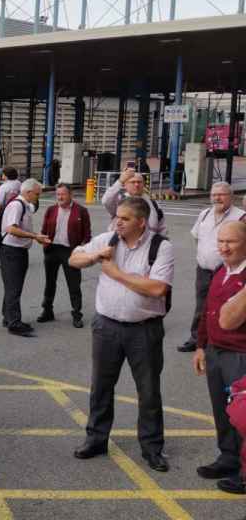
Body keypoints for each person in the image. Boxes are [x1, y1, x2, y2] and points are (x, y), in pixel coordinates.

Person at [69, 196, 174, 473]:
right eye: (117, 217)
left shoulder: (160, 247)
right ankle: (96, 439)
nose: (118, 222)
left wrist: (115, 272)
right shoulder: (108, 239)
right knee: (101, 386)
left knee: (148, 390)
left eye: (125, 219)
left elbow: (156, 289)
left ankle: (152, 448)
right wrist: (94, 256)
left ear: (141, 222)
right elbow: (74, 258)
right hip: (107, 327)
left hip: (144, 330)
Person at [194, 220, 246, 495]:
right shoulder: (219, 270)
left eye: (231, 242)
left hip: (240, 355)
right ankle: (228, 458)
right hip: (215, 351)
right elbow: (207, 310)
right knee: (223, 411)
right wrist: (201, 346)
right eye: (221, 241)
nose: (224, 247)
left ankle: (245, 472)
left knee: (243, 416)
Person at [180, 182, 245, 352]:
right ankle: (197, 339)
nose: (217, 198)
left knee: (227, 306)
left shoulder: (241, 217)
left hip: (229, 272)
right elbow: (196, 237)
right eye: (214, 194)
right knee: (202, 305)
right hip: (203, 269)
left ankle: (222, 340)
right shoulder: (204, 214)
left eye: (222, 194)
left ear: (231, 197)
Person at [38, 183, 92, 328]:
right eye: (58, 194)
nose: (60, 197)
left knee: (74, 284)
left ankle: (76, 314)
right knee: (50, 282)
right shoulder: (51, 210)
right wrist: (44, 242)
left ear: (70, 195)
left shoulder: (81, 211)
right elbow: (43, 229)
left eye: (63, 194)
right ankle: (47, 311)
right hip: (52, 249)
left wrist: (81, 249)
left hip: (70, 251)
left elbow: (87, 235)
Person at [0, 179, 49, 336]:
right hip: (12, 251)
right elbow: (11, 228)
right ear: (28, 192)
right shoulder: (17, 205)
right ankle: (14, 323)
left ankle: (8, 317)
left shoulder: (24, 205)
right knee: (14, 287)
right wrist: (34, 236)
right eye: (36, 194)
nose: (38, 197)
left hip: (18, 250)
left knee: (12, 287)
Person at [102, 168, 166, 235]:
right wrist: (120, 181)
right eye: (133, 182)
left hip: (148, 243)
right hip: (121, 242)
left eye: (139, 182)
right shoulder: (119, 201)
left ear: (143, 184)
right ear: (125, 185)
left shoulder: (154, 204)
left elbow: (161, 227)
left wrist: (160, 242)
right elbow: (106, 200)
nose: (136, 185)